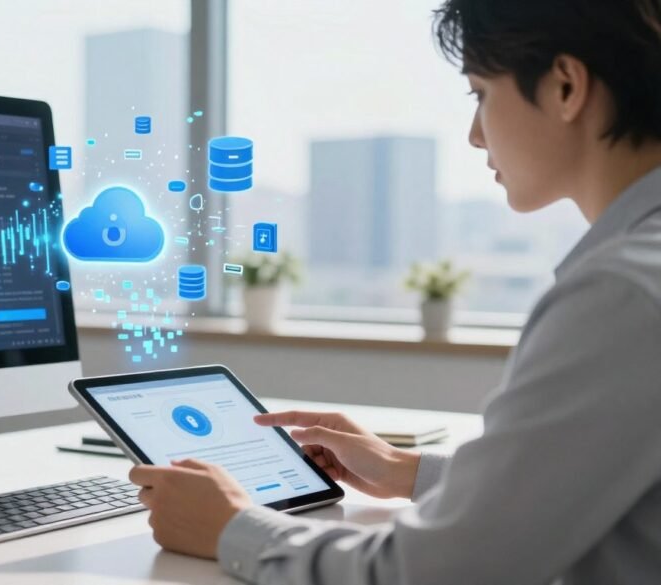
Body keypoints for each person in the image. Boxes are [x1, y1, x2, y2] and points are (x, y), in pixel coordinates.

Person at [128, 1, 661, 583]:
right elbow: (582, 477)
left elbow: (441, 571)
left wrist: (232, 528)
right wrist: (406, 471)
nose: (475, 134)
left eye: (481, 93)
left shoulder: (622, 293)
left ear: (565, 86)